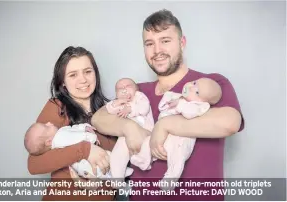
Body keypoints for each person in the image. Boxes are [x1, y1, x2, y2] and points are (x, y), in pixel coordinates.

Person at [91, 9, 244, 201]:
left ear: (182, 43)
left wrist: (165, 125)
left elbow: (230, 122)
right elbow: (98, 118)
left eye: (165, 41)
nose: (157, 51)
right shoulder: (138, 91)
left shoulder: (209, 84)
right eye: (149, 44)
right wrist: (129, 128)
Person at [26, 46, 117, 201]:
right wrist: (85, 150)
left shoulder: (111, 110)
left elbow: (119, 166)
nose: (83, 80)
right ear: (63, 83)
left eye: (88, 71)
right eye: (73, 75)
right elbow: (34, 164)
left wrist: (101, 185)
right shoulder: (57, 107)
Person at [24, 122, 133, 179]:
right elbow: (75, 138)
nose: (48, 123)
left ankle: (118, 174)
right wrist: (90, 142)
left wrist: (84, 127)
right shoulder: (59, 137)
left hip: (86, 174)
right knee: (106, 162)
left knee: (106, 166)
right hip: (85, 165)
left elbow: (73, 130)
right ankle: (118, 175)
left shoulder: (59, 133)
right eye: (46, 126)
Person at [105, 78, 154, 179]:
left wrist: (130, 108)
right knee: (117, 154)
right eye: (120, 88)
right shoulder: (119, 103)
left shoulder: (139, 96)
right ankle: (117, 176)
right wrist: (117, 103)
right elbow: (109, 110)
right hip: (125, 135)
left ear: (136, 89)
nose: (124, 89)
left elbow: (144, 108)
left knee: (146, 147)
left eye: (128, 86)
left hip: (145, 131)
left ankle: (144, 161)